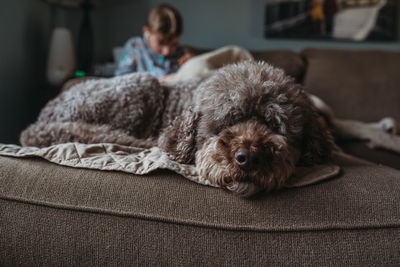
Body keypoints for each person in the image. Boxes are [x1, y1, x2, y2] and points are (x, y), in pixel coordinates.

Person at [114, 3, 192, 80]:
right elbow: (121, 80)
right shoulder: (135, 46)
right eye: (161, 42)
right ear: (146, 31)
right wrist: (161, 81)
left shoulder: (180, 53)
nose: (166, 51)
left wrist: (190, 65)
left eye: (174, 44)